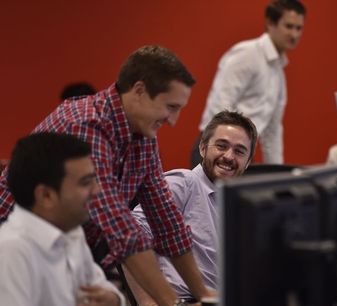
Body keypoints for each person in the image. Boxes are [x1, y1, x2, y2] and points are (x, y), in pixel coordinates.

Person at [0, 45, 211, 306]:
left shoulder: (143, 135)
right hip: (24, 247)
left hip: (65, 248)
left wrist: (205, 296)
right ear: (139, 91)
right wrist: (172, 303)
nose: (174, 120)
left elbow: (167, 220)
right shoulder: (87, 125)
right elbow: (120, 228)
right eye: (170, 107)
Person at [127, 110, 258, 304]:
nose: (229, 156)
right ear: (203, 148)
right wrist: (148, 303)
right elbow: (131, 234)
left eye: (239, 151)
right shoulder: (185, 183)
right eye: (221, 146)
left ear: (247, 163)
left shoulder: (239, 207)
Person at [0, 132, 125, 306]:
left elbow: (100, 287)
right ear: (46, 195)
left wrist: (113, 299)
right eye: (85, 182)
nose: (97, 190)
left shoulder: (70, 230)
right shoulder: (12, 251)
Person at [192, 0, 306, 167]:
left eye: (299, 28)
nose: (294, 34)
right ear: (270, 23)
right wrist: (222, 151)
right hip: (217, 150)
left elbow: (272, 130)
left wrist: (278, 174)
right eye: (288, 26)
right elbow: (220, 105)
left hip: (240, 154)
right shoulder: (247, 54)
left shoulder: (278, 72)